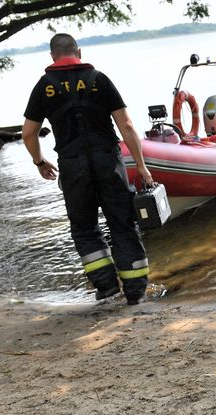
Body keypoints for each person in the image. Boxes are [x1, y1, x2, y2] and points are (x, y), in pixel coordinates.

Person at [21, 33, 153, 305]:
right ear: (78, 52)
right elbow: (126, 126)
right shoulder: (99, 79)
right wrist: (141, 166)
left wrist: (39, 161)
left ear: (52, 56)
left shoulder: (44, 86)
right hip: (108, 162)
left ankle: (107, 289)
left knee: (84, 228)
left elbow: (28, 133)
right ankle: (136, 292)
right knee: (122, 224)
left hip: (72, 166)